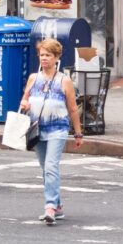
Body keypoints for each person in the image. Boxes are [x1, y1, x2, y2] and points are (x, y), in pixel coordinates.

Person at [20, 38, 84, 225]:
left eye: (48, 55)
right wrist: (24, 104)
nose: (44, 58)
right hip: (37, 130)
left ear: (57, 58)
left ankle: (50, 207)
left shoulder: (64, 81)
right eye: (42, 55)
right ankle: (58, 206)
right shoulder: (33, 78)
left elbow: (72, 109)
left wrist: (78, 133)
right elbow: (24, 101)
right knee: (45, 168)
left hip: (58, 129)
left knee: (51, 167)